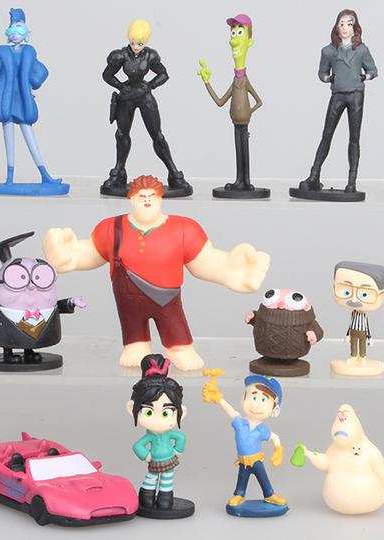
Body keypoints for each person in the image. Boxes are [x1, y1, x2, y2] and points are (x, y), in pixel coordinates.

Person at [43, 175, 270, 370]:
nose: (147, 200)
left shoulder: (184, 228)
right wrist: (69, 255)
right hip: (128, 299)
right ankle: (135, 345)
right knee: (132, 326)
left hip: (168, 298)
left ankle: (179, 347)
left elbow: (205, 261)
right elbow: (90, 253)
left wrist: (230, 270)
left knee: (174, 325)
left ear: (161, 198)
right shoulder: (111, 228)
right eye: (141, 196)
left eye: (152, 195)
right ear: (131, 199)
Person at [0, 8, 67, 194]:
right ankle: (9, 177)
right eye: (12, 30)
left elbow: (40, 73)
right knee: (8, 138)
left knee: (30, 138)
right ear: (8, 33)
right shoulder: (2, 52)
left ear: (27, 34)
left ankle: (44, 174)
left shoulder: (29, 53)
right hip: (5, 98)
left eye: (19, 29)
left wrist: (31, 82)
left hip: (22, 99)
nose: (15, 33)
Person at [102, 20, 190, 196]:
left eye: (140, 43)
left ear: (146, 42)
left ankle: (174, 172)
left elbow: (164, 74)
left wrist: (150, 85)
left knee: (157, 135)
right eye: (133, 42)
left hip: (144, 96)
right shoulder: (121, 55)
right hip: (127, 96)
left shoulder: (150, 56)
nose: (136, 47)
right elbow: (107, 74)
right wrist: (120, 86)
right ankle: (119, 170)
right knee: (121, 134)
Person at [298, 9, 377, 195]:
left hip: (355, 95)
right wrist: (328, 78)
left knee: (354, 138)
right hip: (338, 95)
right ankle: (314, 176)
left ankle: (351, 181)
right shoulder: (328, 51)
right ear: (336, 27)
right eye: (341, 24)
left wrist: (365, 76)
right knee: (327, 134)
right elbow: (322, 72)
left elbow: (373, 70)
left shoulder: (361, 50)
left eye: (349, 24)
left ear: (355, 28)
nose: (345, 28)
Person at [197, 14, 267, 198]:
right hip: (235, 122)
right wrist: (207, 82)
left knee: (244, 150)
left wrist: (249, 112)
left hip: (244, 122)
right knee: (238, 151)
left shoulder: (244, 81)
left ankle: (246, 181)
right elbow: (220, 101)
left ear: (249, 41)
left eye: (239, 32)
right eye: (233, 33)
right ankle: (239, 180)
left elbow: (259, 101)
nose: (233, 39)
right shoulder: (235, 82)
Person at [202, 373, 287, 511]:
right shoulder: (240, 423)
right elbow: (231, 411)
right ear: (243, 399)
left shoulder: (262, 430)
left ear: (274, 410)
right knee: (242, 479)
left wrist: (278, 451)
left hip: (257, 461)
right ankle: (239, 495)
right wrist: (219, 399)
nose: (255, 404)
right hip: (243, 461)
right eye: (253, 397)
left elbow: (274, 437)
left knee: (263, 478)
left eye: (263, 400)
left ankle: (269, 494)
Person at [127, 354, 194, 518]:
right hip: (155, 460)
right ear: (131, 409)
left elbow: (181, 438)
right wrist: (147, 456)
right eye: (148, 412)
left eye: (166, 413)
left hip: (169, 459)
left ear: (182, 413)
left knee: (167, 479)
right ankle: (147, 497)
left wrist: (178, 451)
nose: (157, 421)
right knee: (151, 477)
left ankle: (165, 499)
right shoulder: (150, 436)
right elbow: (137, 446)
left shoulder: (169, 433)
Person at [332, 260, 384, 375]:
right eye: (347, 291)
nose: (354, 300)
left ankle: (362, 358)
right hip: (353, 331)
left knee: (362, 345)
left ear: (383, 294)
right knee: (353, 344)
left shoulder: (364, 316)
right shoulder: (354, 314)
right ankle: (353, 357)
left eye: (364, 294)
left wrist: (370, 337)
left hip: (363, 332)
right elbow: (350, 324)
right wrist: (347, 335)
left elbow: (367, 326)